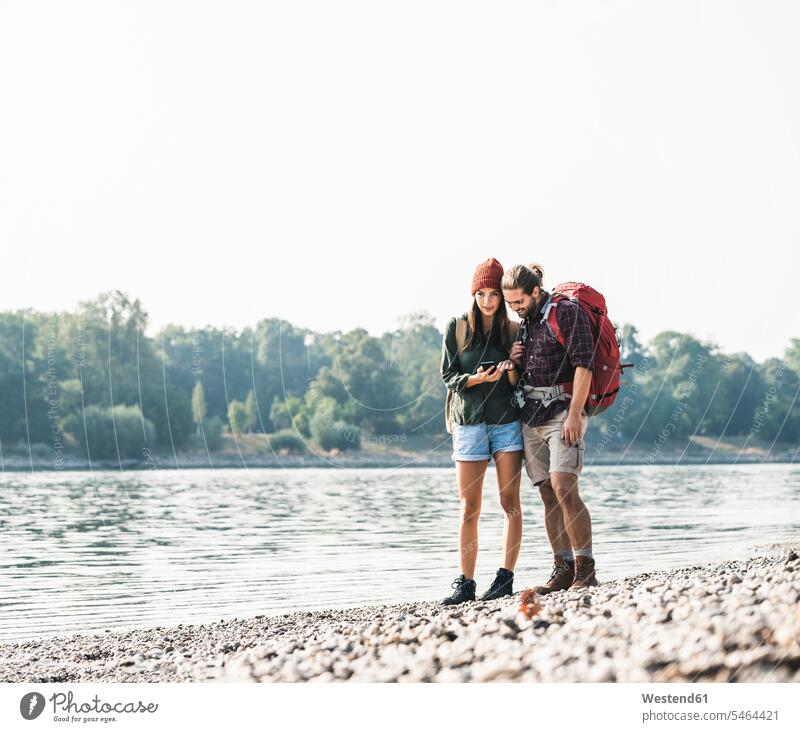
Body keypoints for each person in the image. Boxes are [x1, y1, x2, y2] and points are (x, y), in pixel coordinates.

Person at [502, 263, 599, 591]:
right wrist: (514, 360)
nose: (515, 308)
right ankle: (563, 569)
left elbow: (584, 364)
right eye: (509, 304)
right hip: (531, 416)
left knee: (564, 487)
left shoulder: (566, 312)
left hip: (563, 411)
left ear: (535, 291)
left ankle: (586, 570)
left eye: (519, 301)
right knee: (547, 493)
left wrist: (575, 414)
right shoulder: (526, 323)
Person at [440, 258, 524, 605]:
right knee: (469, 508)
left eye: (493, 293)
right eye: (481, 293)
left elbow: (522, 382)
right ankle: (465, 584)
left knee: (510, 504)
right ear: (473, 294)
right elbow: (448, 377)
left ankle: (505, 578)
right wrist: (476, 378)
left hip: (507, 423)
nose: (488, 300)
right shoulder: (457, 328)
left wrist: (510, 369)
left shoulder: (514, 330)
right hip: (469, 424)